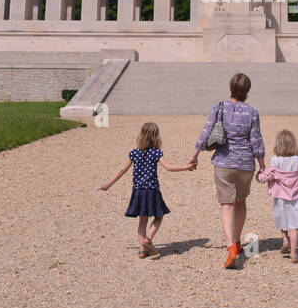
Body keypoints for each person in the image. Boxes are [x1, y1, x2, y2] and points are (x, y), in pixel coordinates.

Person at [190, 72, 265, 270]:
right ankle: (238, 242)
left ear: (230, 87)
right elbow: (256, 141)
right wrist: (263, 166)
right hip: (246, 164)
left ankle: (230, 246)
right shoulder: (252, 112)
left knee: (227, 205)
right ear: (247, 90)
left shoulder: (219, 107)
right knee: (240, 203)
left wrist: (195, 154)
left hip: (224, 162)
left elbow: (206, 131)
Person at [99, 122, 195, 258]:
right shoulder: (156, 152)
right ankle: (148, 239)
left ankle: (142, 251)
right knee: (159, 216)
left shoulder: (134, 153)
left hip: (138, 191)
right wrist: (186, 167)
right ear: (156, 137)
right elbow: (168, 167)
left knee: (142, 220)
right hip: (152, 190)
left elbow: (122, 170)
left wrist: (107, 185)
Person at [257, 129, 298, 263]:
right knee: (294, 226)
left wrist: (258, 176)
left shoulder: (276, 160)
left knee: (283, 219)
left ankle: (284, 239)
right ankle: (294, 254)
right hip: (296, 198)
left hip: (281, 197)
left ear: (278, 145)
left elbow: (267, 176)